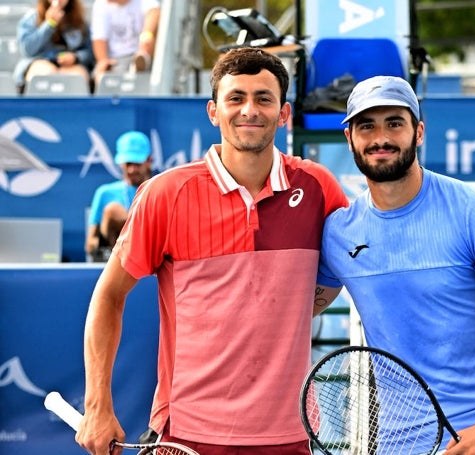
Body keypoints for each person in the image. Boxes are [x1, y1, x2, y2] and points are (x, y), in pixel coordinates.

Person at [76, 47, 348, 455]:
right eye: (235, 98)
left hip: (290, 431)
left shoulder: (318, 187)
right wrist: (97, 403)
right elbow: (109, 296)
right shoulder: (165, 194)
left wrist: (287, 311)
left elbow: (344, 271)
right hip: (187, 430)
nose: (249, 110)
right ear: (213, 111)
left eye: (263, 98)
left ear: (284, 113)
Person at [315, 75, 475, 455]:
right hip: (399, 444)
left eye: (394, 123)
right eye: (366, 126)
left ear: (418, 132)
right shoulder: (338, 233)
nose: (380, 138)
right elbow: (296, 311)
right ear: (350, 139)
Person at [85, 130, 152, 262]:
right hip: (115, 260)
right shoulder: (104, 192)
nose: (132, 169)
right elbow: (90, 244)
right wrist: (103, 250)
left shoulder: (160, 189)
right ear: (121, 163)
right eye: (128, 164)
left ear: (149, 160)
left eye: (137, 163)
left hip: (149, 254)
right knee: (112, 210)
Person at [14, 0, 94, 94]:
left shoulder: (79, 21)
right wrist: (50, 24)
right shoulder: (31, 19)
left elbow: (89, 52)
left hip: (69, 65)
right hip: (39, 61)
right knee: (46, 73)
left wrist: (75, 57)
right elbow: (28, 50)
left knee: (77, 76)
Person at [90, 0, 160, 86]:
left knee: (148, 45)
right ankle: (134, 69)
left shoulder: (144, 2)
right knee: (100, 75)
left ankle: (139, 63)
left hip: (139, 52)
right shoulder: (101, 4)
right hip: (115, 60)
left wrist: (146, 35)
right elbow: (99, 38)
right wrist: (103, 61)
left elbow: (154, 12)